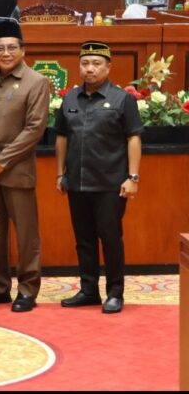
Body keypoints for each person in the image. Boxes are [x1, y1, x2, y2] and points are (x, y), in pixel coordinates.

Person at [55, 41, 142, 314]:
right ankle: (89, 289)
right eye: (85, 63)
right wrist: (60, 173)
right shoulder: (70, 98)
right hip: (77, 182)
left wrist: (133, 177)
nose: (89, 69)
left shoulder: (121, 99)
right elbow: (61, 137)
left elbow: (134, 138)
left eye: (96, 63)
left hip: (110, 183)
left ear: (108, 66)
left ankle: (115, 293)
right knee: (84, 239)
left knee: (110, 237)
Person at [0, 20, 50, 312]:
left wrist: (0, 162)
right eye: (0, 48)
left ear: (23, 50)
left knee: (26, 233)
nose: (5, 53)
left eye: (11, 47)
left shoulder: (36, 82)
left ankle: (27, 289)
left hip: (16, 172)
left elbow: (34, 130)